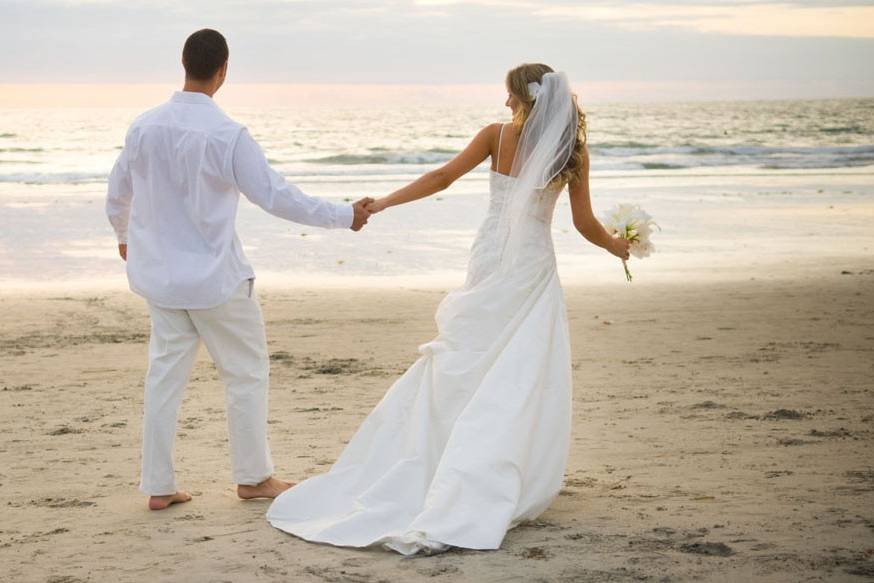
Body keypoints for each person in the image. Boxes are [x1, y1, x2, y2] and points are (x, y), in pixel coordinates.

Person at [266, 63, 630, 554]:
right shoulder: (572, 151)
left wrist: (384, 204)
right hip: (532, 263)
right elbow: (584, 222)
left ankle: (446, 462)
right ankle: (493, 467)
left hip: (491, 256)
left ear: (524, 98)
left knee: (465, 357)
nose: (504, 104)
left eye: (509, 95)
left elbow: (441, 178)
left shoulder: (496, 137)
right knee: (519, 369)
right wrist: (615, 246)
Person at [105, 28, 372, 511]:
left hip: (161, 278)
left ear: (184, 64)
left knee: (164, 378)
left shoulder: (143, 126)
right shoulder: (227, 134)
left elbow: (118, 191)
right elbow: (276, 196)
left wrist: (125, 237)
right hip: (216, 279)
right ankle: (252, 478)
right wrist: (344, 215)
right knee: (245, 373)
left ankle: (159, 487)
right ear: (223, 70)